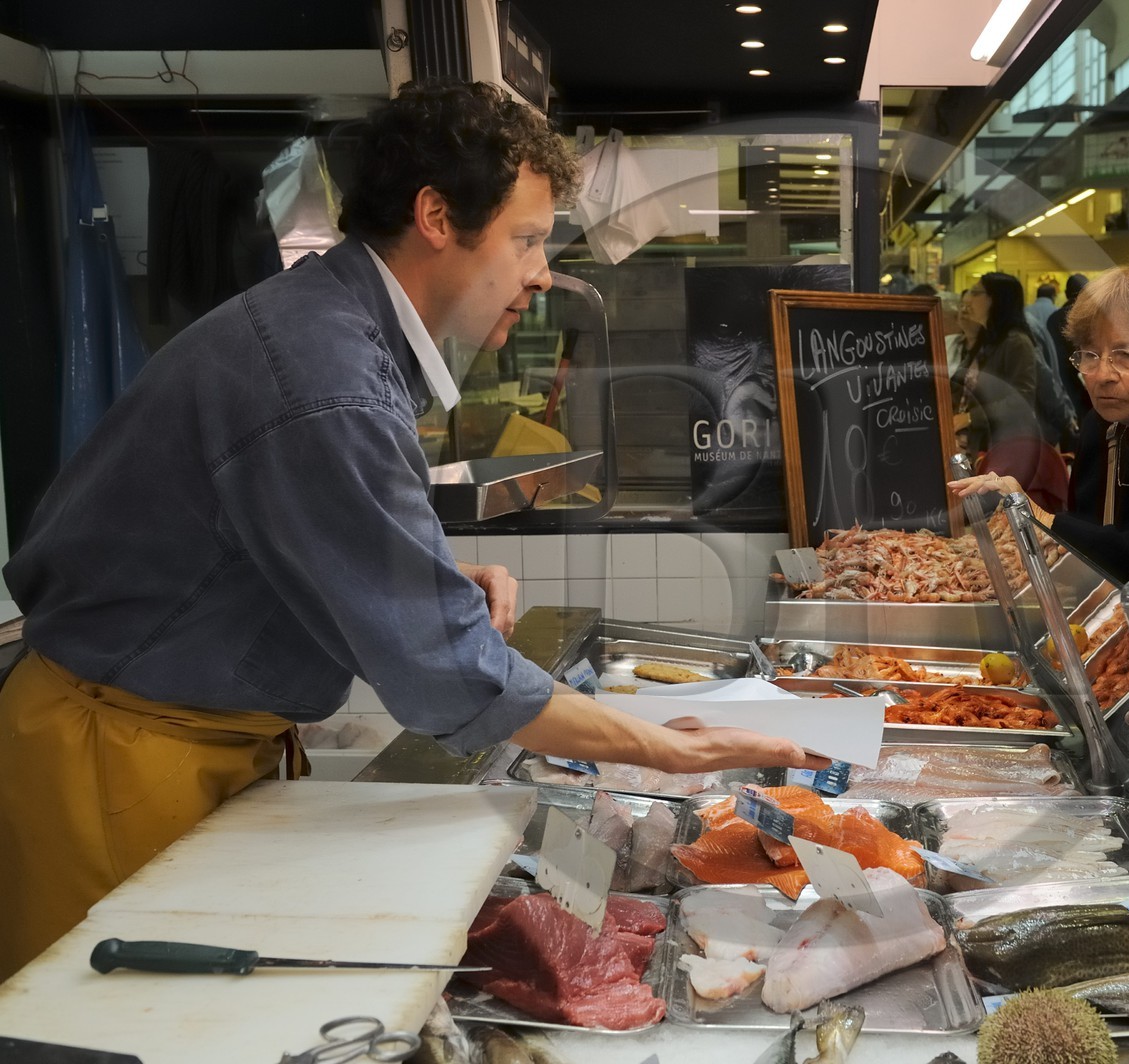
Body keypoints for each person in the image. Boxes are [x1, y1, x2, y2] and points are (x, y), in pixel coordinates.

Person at [0, 80, 824, 981]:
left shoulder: (331, 327)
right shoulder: (327, 375)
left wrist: (419, 573)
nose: (542, 273)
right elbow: (448, 680)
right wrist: (673, 746)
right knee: (120, 1027)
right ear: (436, 216)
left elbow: (269, 538)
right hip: (116, 762)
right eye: (527, 239)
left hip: (179, 740)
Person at [949, 267, 1129, 583]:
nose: (1102, 374)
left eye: (1125, 354)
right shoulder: (1101, 428)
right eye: (1089, 355)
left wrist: (1046, 522)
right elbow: (1087, 524)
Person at [949, 274, 1068, 512]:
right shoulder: (986, 340)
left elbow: (1020, 398)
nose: (968, 299)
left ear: (995, 299)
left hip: (1003, 453)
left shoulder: (1016, 342)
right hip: (978, 450)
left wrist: (969, 418)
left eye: (975, 292)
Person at [1045, 273, 1092, 430]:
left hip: (1059, 380)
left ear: (1065, 294)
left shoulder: (1053, 318)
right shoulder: (1092, 316)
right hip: (1086, 380)